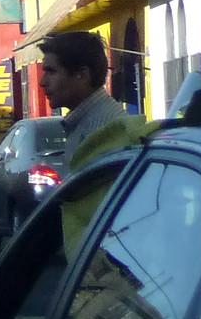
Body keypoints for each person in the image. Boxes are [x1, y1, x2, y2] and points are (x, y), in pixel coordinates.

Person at [40, 30, 152, 259]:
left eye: (51, 71)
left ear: (82, 74)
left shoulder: (103, 135)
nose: (42, 82)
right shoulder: (87, 126)